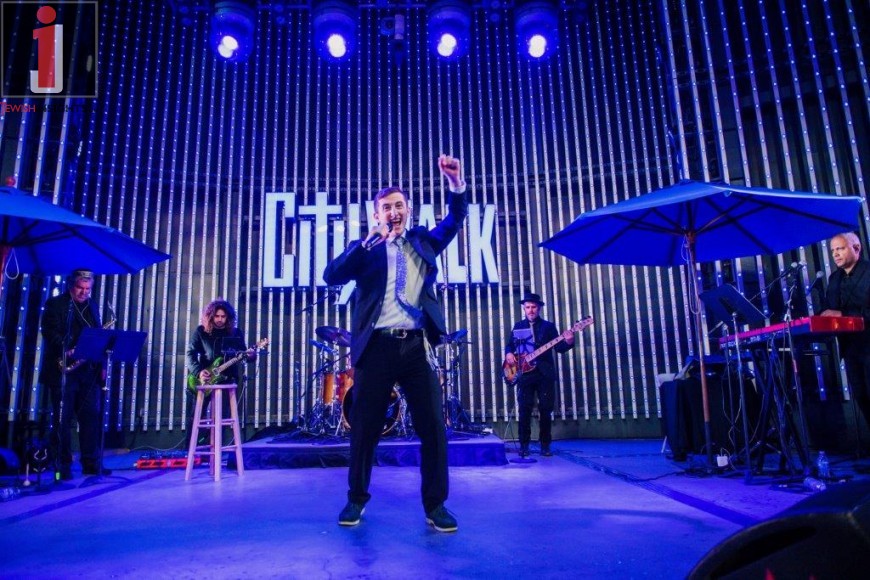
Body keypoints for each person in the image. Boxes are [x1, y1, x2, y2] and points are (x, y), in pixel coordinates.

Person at [323, 154, 467, 533]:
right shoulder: (365, 250)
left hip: (416, 347)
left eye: (399, 205)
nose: (393, 212)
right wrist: (365, 243)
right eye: (386, 207)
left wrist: (456, 183)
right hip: (376, 349)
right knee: (365, 428)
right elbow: (331, 275)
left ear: (408, 210)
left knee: (433, 427)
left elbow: (454, 220)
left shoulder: (422, 242)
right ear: (376, 215)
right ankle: (356, 498)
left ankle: (436, 505)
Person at [40, 269, 109, 480]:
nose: (84, 292)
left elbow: (97, 334)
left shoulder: (92, 306)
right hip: (63, 370)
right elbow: (49, 332)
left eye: (88, 289)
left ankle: (91, 463)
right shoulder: (55, 304)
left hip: (87, 371)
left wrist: (101, 363)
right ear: (71, 285)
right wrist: (67, 348)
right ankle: (62, 465)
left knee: (90, 417)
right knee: (62, 420)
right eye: (80, 288)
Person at [503, 292, 575, 458]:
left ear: (539, 308)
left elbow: (560, 348)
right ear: (524, 309)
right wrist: (508, 353)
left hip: (544, 374)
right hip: (524, 374)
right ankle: (524, 445)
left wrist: (569, 340)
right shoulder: (518, 326)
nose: (530, 310)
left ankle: (545, 445)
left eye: (533, 307)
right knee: (524, 409)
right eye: (527, 307)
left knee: (545, 410)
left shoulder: (548, 327)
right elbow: (509, 345)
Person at [820, 232, 870, 441]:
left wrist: (843, 314)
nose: (835, 254)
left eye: (840, 248)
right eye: (832, 250)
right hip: (850, 348)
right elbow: (831, 308)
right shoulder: (834, 278)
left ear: (856, 248)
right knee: (862, 397)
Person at [185, 299, 254, 443]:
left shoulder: (235, 333)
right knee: (196, 415)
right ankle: (191, 449)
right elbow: (190, 354)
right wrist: (199, 371)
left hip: (227, 379)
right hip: (205, 379)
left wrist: (251, 356)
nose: (220, 319)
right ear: (210, 316)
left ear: (228, 317)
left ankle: (216, 448)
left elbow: (243, 355)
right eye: (217, 316)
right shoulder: (201, 331)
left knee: (222, 416)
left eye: (223, 316)